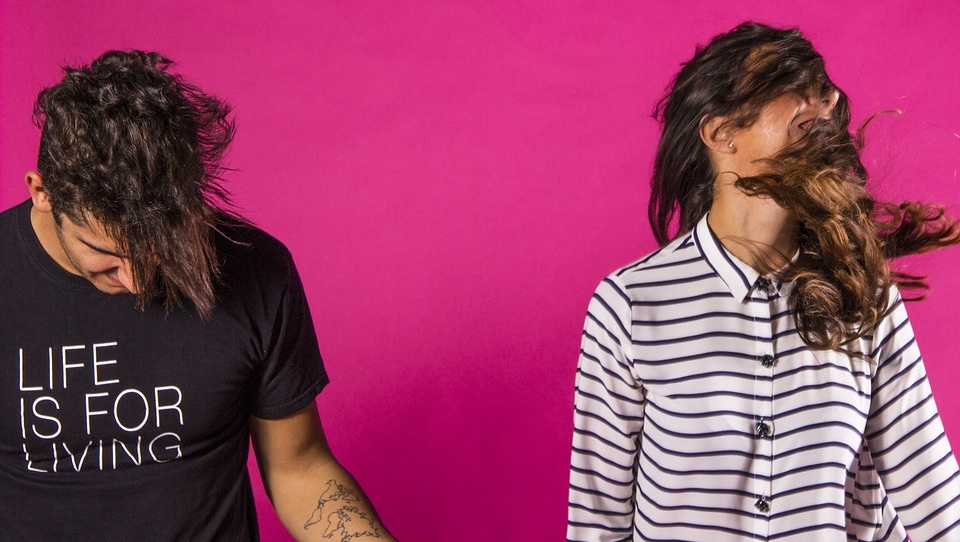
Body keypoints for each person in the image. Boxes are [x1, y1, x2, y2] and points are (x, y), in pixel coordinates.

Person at [567, 22, 960, 541]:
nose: (825, 100)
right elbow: (597, 522)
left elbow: (933, 494)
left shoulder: (864, 291)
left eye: (823, 87)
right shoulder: (630, 305)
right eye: (790, 82)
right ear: (720, 132)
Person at [0, 50, 395, 541]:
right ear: (42, 192)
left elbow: (299, 469)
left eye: (161, 250)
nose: (139, 283)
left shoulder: (256, 269)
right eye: (106, 253)